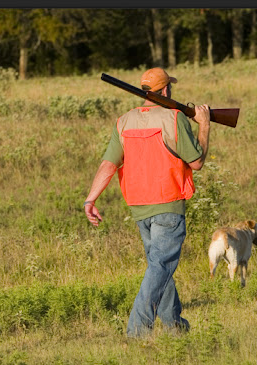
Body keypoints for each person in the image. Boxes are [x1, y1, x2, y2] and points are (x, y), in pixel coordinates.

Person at [84, 67, 210, 337]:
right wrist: (205, 125)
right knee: (160, 267)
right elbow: (197, 162)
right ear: (166, 91)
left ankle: (175, 328)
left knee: (158, 267)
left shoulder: (124, 121)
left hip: (139, 207)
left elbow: (108, 164)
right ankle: (138, 331)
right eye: (170, 87)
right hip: (168, 204)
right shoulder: (174, 118)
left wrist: (90, 199)